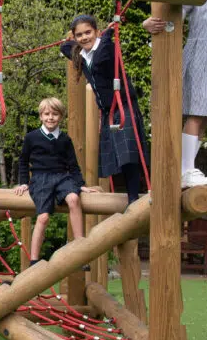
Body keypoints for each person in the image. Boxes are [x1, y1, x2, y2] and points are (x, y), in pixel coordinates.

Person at [60, 14, 148, 205]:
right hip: (108, 110)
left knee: (129, 152)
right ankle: (130, 194)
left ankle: (135, 195)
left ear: (97, 32)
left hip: (123, 103)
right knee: (118, 153)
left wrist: (108, 34)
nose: (84, 38)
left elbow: (103, 56)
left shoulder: (107, 47)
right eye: (80, 35)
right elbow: (64, 47)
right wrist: (69, 40)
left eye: (88, 33)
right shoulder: (81, 55)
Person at [142, 0, 207, 187]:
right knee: (197, 112)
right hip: (202, 55)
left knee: (205, 117)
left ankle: (186, 168)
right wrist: (149, 24)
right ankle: (185, 169)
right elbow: (173, 16)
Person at [14, 97, 98, 265]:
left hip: (62, 177)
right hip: (40, 178)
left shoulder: (65, 140)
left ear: (61, 116)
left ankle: (80, 250)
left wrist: (81, 185)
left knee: (74, 199)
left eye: (54, 114)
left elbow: (73, 165)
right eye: (46, 114)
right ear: (40, 116)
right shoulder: (32, 137)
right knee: (43, 217)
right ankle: (34, 260)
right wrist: (24, 182)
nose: (50, 118)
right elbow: (23, 161)